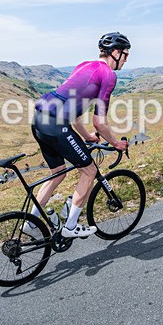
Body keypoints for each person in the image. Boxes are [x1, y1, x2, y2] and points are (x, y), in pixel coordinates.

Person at [26, 32, 130, 239]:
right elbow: (99, 122)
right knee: (89, 171)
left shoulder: (84, 65)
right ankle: (71, 226)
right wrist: (117, 143)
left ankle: (31, 222)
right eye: (126, 55)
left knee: (58, 172)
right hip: (56, 126)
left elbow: (74, 112)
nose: (126, 59)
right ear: (116, 53)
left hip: (39, 120)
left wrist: (88, 137)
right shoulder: (109, 75)